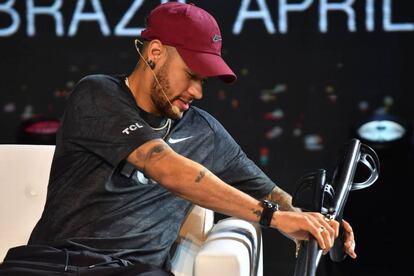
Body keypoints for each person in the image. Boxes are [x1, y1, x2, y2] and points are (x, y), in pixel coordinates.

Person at [0, 2, 356, 275]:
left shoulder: (205, 132)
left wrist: (313, 221)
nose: (198, 91)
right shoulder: (97, 94)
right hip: (53, 264)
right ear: (155, 53)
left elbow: (270, 193)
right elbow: (163, 166)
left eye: (204, 80)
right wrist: (274, 218)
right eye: (191, 75)